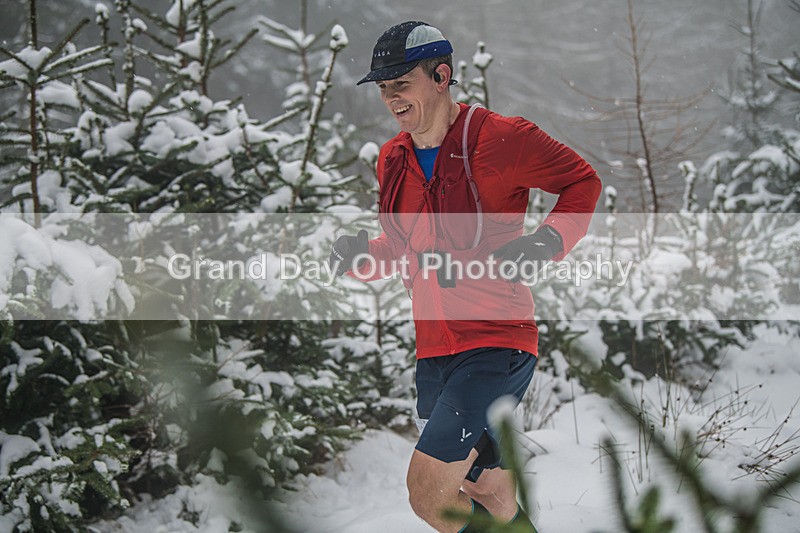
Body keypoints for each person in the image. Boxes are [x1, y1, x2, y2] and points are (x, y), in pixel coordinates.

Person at [330, 21, 601, 533]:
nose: (391, 99)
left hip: (497, 343)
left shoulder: (504, 138)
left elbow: (582, 182)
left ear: (441, 76)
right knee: (487, 488)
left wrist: (547, 241)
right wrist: (360, 257)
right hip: (433, 351)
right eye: (383, 88)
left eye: (401, 84)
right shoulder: (393, 159)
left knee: (429, 495)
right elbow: (400, 247)